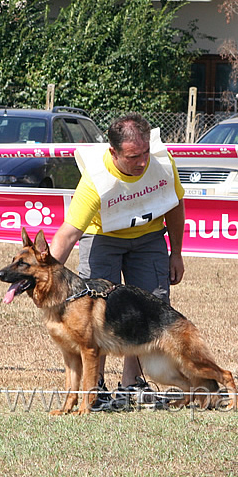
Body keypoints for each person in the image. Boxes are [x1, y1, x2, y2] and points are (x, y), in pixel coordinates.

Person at [50, 112, 186, 409]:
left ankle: (131, 384)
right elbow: (68, 234)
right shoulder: (95, 181)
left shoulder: (162, 165)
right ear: (113, 152)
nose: (142, 162)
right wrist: (43, 276)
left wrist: (176, 252)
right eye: (133, 156)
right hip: (103, 238)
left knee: (150, 308)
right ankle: (94, 389)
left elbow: (175, 207)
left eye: (146, 152)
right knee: (94, 314)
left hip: (149, 237)